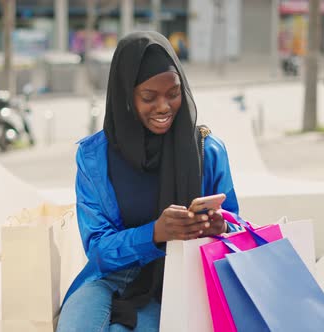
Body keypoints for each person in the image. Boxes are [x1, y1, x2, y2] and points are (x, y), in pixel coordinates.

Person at [56, 31, 241, 332]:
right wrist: (155, 233)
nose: (164, 107)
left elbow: (237, 227)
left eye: (173, 93)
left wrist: (222, 226)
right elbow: (98, 248)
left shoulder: (207, 150)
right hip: (109, 276)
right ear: (126, 95)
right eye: (148, 97)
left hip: (179, 276)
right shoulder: (93, 157)